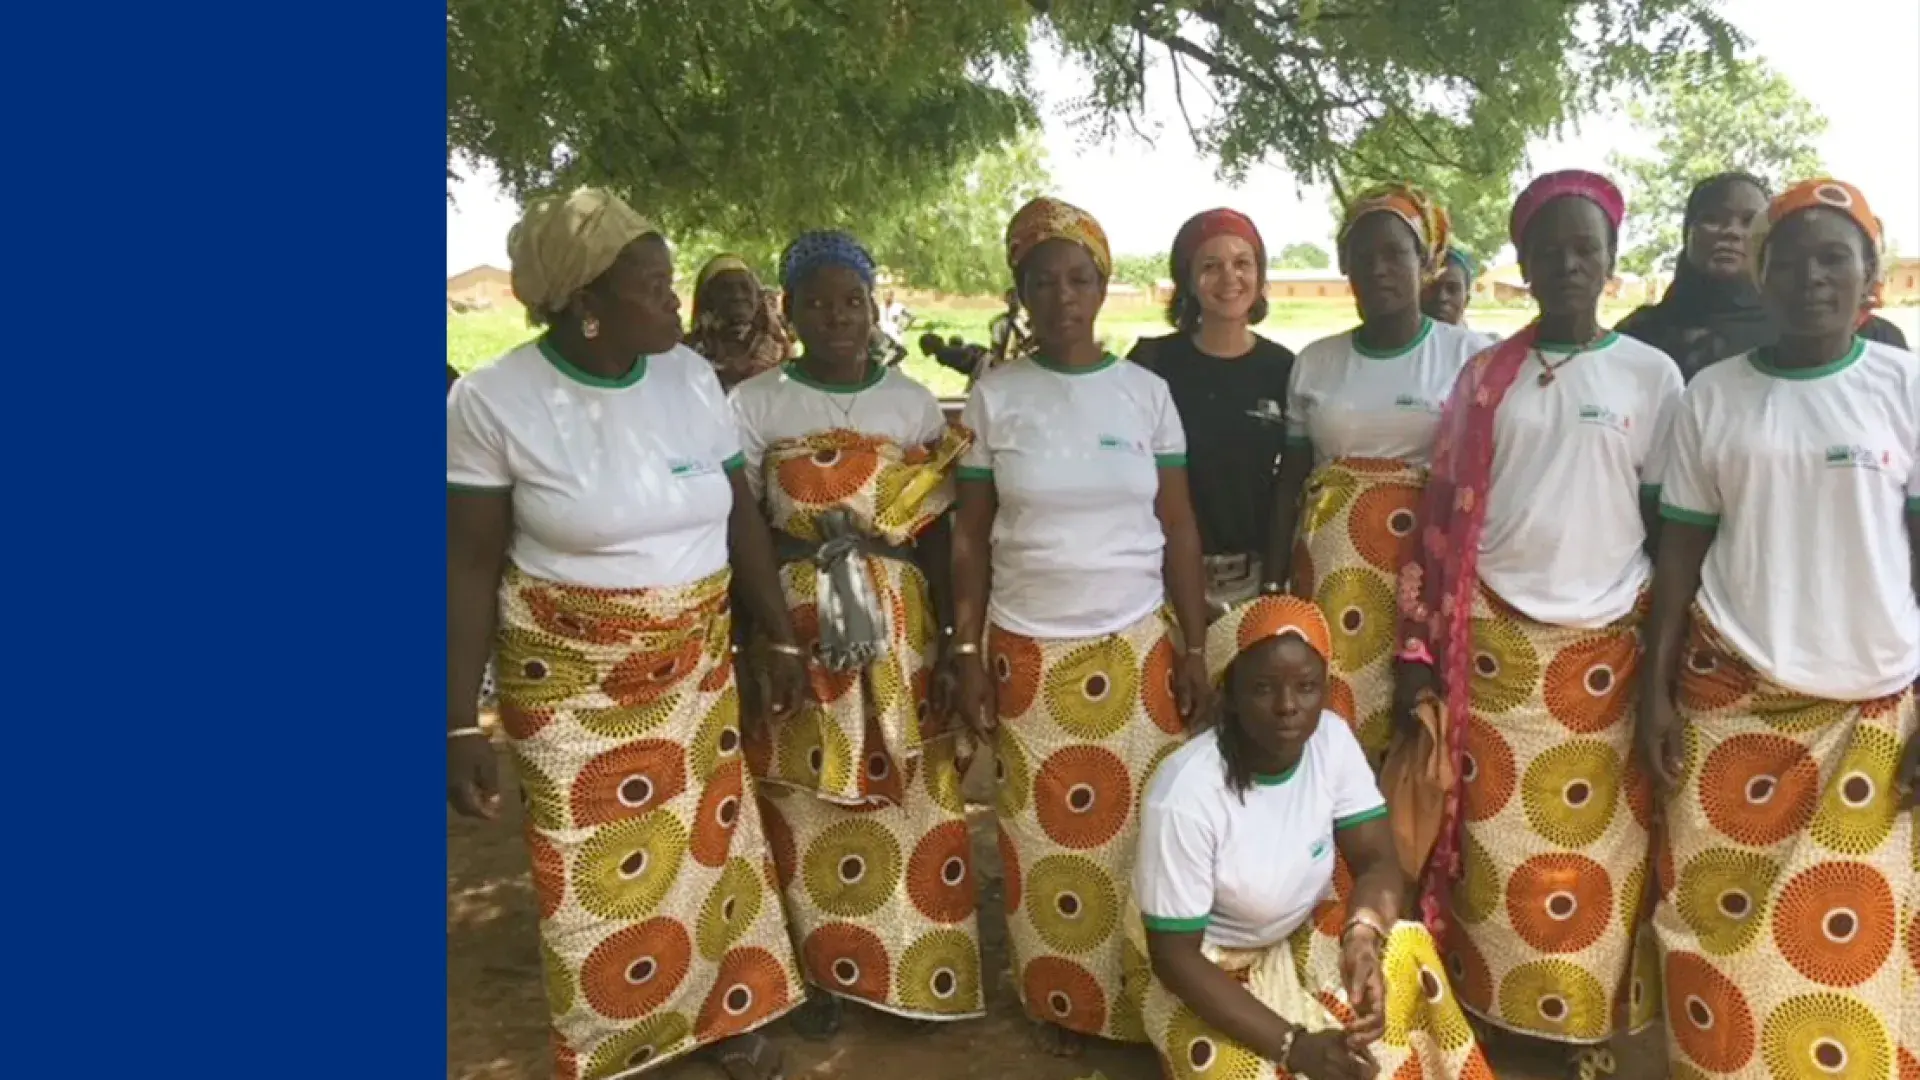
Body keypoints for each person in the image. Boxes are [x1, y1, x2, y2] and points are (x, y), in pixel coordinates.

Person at [446, 188, 807, 1080]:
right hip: (569, 680)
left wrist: (780, 636)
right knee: (595, 874)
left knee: (709, 852)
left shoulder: (687, 375)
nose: (675, 303)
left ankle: (724, 1016)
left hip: (695, 670)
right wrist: (456, 722)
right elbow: (465, 567)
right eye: (652, 286)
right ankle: (617, 1047)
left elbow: (739, 519)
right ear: (585, 306)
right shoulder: (495, 403)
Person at [1394, 171, 1682, 1080]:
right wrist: (1418, 652)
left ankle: (1583, 1023)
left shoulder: (1651, 374)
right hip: (1492, 648)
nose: (1567, 263)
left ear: (1610, 259)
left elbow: (1668, 522)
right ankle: (1491, 1008)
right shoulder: (1487, 376)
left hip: (1606, 656)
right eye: (1548, 248)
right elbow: (1438, 520)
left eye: (1583, 248)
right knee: (1488, 843)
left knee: (1597, 848)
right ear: (1521, 261)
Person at [1641, 178, 1920, 1080]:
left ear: (1869, 275)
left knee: (1849, 936)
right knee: (1709, 927)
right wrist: (1656, 695)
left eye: (1834, 258)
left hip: (1872, 715)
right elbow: (1678, 557)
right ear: (1761, 278)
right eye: (1789, 261)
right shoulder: (1712, 398)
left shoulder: (1903, 384)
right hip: (1734, 700)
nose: (1812, 279)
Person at [951, 195, 1213, 1057]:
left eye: (1078, 277)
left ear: (1103, 286)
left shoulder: (1146, 394)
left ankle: (1145, 1000)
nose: (1062, 295)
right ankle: (1064, 1001)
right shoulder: (996, 398)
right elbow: (971, 534)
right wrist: (967, 646)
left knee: (1141, 830)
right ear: (1019, 291)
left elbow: (1178, 526)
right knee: (1043, 833)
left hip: (1135, 646)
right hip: (1027, 649)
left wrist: (1194, 644)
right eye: (1041, 280)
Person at [729, 230, 984, 1036]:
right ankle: (824, 976)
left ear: (873, 306)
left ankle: (918, 968)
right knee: (811, 793)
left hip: (899, 625)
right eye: (817, 301)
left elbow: (939, 531)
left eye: (852, 300)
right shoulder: (755, 403)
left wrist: (954, 640)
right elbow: (744, 529)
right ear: (790, 309)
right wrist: (765, 635)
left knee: (906, 784)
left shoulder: (907, 402)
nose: (837, 315)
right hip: (798, 623)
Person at [1135, 595, 1492, 1080]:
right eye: (1263, 688)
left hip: (1298, 930)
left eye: (1306, 687)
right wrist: (1294, 1046)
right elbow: (1174, 959)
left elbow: (1376, 861)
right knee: (1247, 1071)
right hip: (1207, 967)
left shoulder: (1331, 741)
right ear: (1231, 696)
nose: (1288, 707)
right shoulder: (1185, 795)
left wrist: (1363, 935)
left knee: (1404, 950)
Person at [1265, 185, 1482, 762]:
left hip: (1426, 575)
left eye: (1395, 254)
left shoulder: (1470, 356)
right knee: (1333, 722)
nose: (1379, 270)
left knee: (1419, 725)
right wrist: (1273, 585)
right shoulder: (1316, 360)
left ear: (1426, 263)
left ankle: (1412, 850)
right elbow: (1292, 479)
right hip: (1330, 576)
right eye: (1363, 258)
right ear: (1345, 268)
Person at [1127, 208, 1297, 614]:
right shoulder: (1152, 364)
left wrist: (1274, 583)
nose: (1229, 278)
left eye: (1243, 263)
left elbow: (1291, 479)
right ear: (1187, 279)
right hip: (1160, 579)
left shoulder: (1283, 368)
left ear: (1260, 274)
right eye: (1210, 265)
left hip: (1253, 580)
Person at [1614, 173, 1778, 382]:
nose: (1731, 232)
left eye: (1749, 221)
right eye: (1712, 219)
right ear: (1687, 232)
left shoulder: (1793, 336)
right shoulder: (1638, 335)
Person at [686, 254, 794, 390]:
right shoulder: (687, 352)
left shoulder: (781, 351)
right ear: (708, 297)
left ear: (757, 296)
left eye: (745, 287)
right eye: (725, 289)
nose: (737, 296)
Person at [1422, 247, 1500, 350]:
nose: (1441, 297)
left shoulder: (1484, 350)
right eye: (1432, 287)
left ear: (1466, 301)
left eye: (1452, 289)